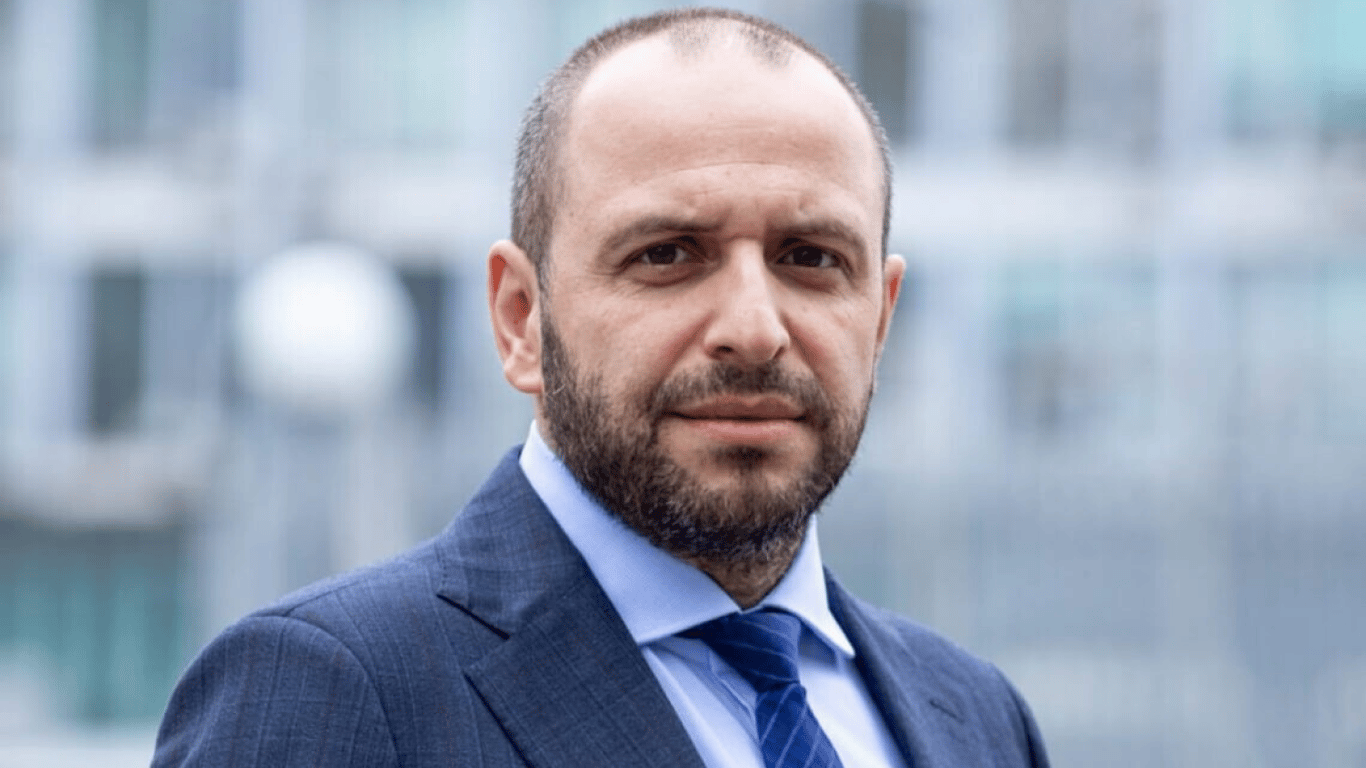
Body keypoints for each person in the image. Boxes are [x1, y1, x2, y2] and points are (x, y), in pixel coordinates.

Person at [153, 7, 1049, 767]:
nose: (754, 329)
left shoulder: (975, 720)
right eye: (668, 254)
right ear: (521, 319)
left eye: (810, 259)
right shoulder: (332, 693)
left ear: (880, 320)